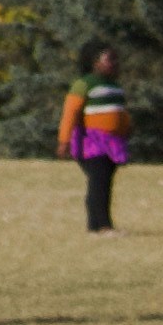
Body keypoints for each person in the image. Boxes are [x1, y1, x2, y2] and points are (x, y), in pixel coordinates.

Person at [58, 46, 130, 235]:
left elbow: (119, 112)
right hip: (91, 142)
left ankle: (94, 226)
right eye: (109, 59)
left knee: (104, 182)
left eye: (116, 59)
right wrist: (64, 140)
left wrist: (126, 129)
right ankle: (104, 226)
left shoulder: (115, 86)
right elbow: (70, 113)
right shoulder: (84, 84)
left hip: (113, 143)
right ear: (95, 62)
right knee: (98, 182)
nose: (115, 63)